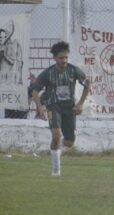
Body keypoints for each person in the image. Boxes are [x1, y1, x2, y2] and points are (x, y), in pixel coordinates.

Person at [32, 41, 90, 176]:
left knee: (69, 142)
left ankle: (57, 147)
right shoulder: (48, 73)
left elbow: (87, 84)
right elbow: (35, 91)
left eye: (66, 57)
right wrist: (40, 107)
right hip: (54, 106)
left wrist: (80, 104)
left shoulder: (74, 70)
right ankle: (56, 170)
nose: (64, 60)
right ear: (55, 58)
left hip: (69, 108)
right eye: (61, 58)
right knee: (57, 135)